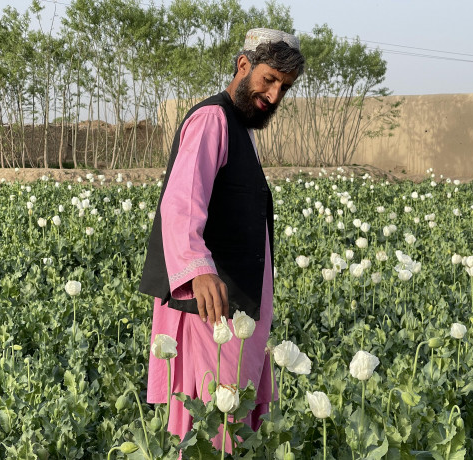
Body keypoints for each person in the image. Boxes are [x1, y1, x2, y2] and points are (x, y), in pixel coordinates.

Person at [138, 28, 305, 451]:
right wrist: (197, 269)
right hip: (211, 311)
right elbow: (181, 202)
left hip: (237, 305)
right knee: (213, 420)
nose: (274, 94)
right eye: (269, 79)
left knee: (230, 415)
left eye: (283, 87)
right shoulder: (213, 119)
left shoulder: (238, 127)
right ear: (243, 65)